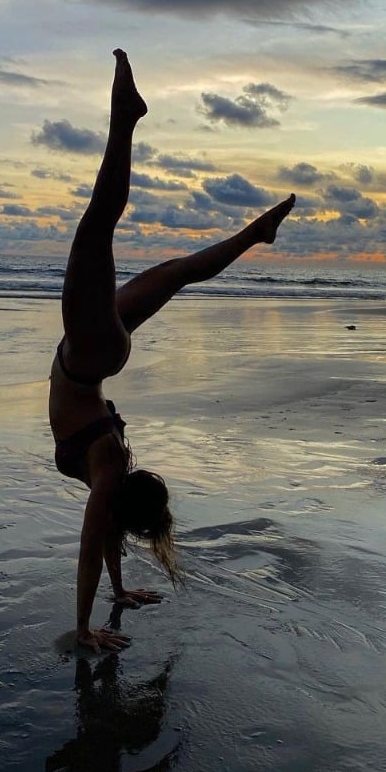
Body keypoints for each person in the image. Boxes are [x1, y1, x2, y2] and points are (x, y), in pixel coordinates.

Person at [49, 49, 295, 652]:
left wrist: (112, 600)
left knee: (172, 268)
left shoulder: (114, 476)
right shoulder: (110, 475)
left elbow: (100, 540)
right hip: (88, 357)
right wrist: (89, 620)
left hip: (95, 359)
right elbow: (94, 544)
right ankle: (125, 122)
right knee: (100, 230)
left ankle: (248, 232)